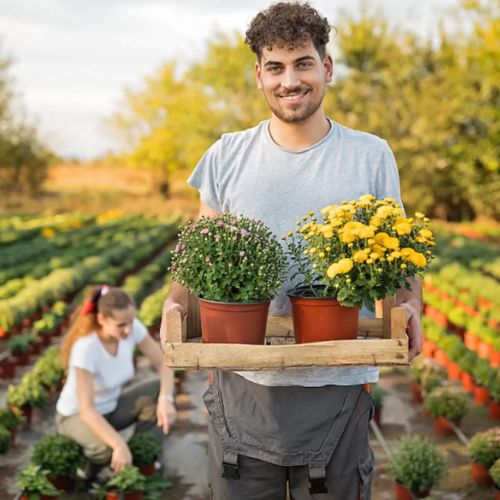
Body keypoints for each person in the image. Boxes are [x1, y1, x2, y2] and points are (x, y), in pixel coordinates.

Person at [160, 2, 422, 499]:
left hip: (338, 381)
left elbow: (401, 254)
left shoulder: (369, 155)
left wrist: (411, 306)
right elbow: (199, 251)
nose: (290, 81)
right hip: (243, 383)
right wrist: (175, 304)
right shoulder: (226, 155)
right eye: (275, 67)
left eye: (302, 63)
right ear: (258, 75)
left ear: (326, 67)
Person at [56, 286, 176, 475]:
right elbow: (86, 410)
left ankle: (142, 459)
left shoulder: (131, 327)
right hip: (76, 416)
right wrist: (119, 444)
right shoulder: (86, 348)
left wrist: (166, 400)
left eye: (130, 321)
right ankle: (84, 473)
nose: (128, 329)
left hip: (111, 408)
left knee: (158, 389)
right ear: (102, 319)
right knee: (108, 450)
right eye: (121, 325)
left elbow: (164, 363)